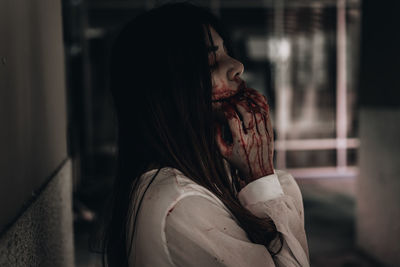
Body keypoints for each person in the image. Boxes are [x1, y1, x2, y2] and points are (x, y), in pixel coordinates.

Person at [102, 3, 309, 267]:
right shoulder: (182, 205)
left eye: (227, 52)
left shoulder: (207, 178)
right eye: (211, 60)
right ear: (168, 90)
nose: (237, 66)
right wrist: (261, 177)